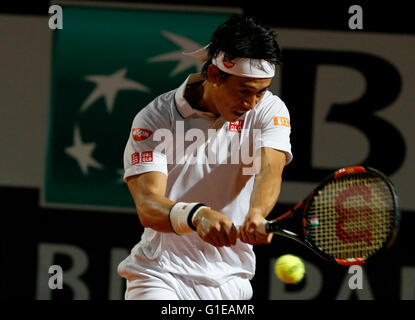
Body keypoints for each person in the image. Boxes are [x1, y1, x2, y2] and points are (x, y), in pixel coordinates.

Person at [117, 14, 293, 300]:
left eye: (260, 93)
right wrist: (197, 215)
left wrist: (257, 213)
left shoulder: (270, 111)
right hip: (161, 274)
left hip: (232, 280)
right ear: (213, 75)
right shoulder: (156, 118)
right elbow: (148, 205)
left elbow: (269, 170)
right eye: (244, 92)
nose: (251, 104)